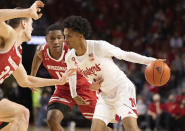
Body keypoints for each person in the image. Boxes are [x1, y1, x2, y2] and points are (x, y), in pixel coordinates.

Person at [63, 16, 161, 131]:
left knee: (131, 128)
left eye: (68, 36)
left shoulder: (99, 47)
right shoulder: (70, 57)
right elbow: (72, 73)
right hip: (105, 94)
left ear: (80, 35)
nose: (65, 39)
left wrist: (151, 61)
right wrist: (75, 93)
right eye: (65, 36)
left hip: (122, 89)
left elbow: (125, 55)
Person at [0, 2, 74, 131]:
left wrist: (59, 80)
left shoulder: (17, 54)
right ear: (24, 24)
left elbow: (26, 80)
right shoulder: (10, 36)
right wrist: (27, 12)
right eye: (31, 24)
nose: (32, 29)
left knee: (21, 114)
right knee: (21, 113)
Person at [30, 24, 100, 131]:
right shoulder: (42, 49)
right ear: (46, 39)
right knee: (52, 119)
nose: (56, 41)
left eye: (59, 38)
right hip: (63, 90)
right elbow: (37, 57)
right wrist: (32, 76)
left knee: (100, 124)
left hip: (84, 88)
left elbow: (92, 58)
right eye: (52, 38)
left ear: (64, 39)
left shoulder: (72, 50)